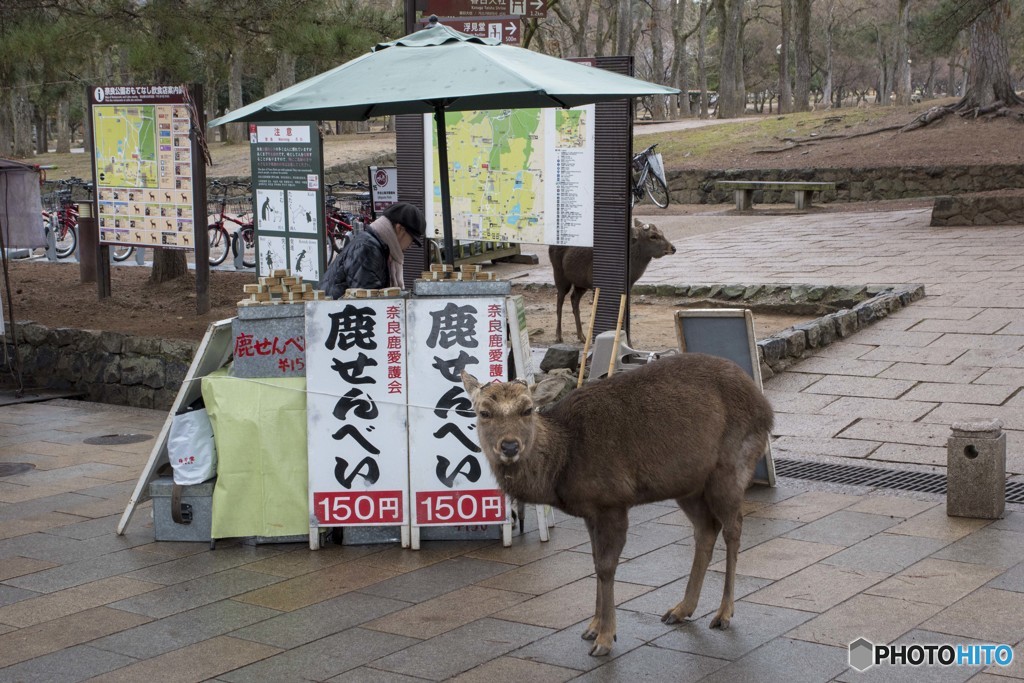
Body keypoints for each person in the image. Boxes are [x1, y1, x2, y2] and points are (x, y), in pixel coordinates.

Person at [319, 202, 425, 298]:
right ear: (399, 228)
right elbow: (368, 302)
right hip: (336, 311)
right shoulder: (368, 249)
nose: (410, 245)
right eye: (412, 240)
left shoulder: (378, 245)